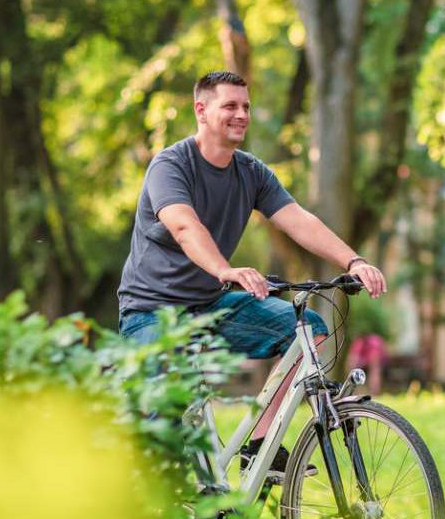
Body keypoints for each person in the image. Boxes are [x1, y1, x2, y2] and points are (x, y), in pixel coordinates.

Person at [117, 70, 386, 472]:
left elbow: (298, 220)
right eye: (230, 106)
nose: (241, 114)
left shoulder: (251, 172)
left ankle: (259, 446)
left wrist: (354, 261)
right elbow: (185, 226)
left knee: (306, 329)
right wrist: (225, 270)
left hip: (211, 304)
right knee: (163, 438)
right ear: (201, 110)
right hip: (152, 312)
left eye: (246, 106)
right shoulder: (170, 166)